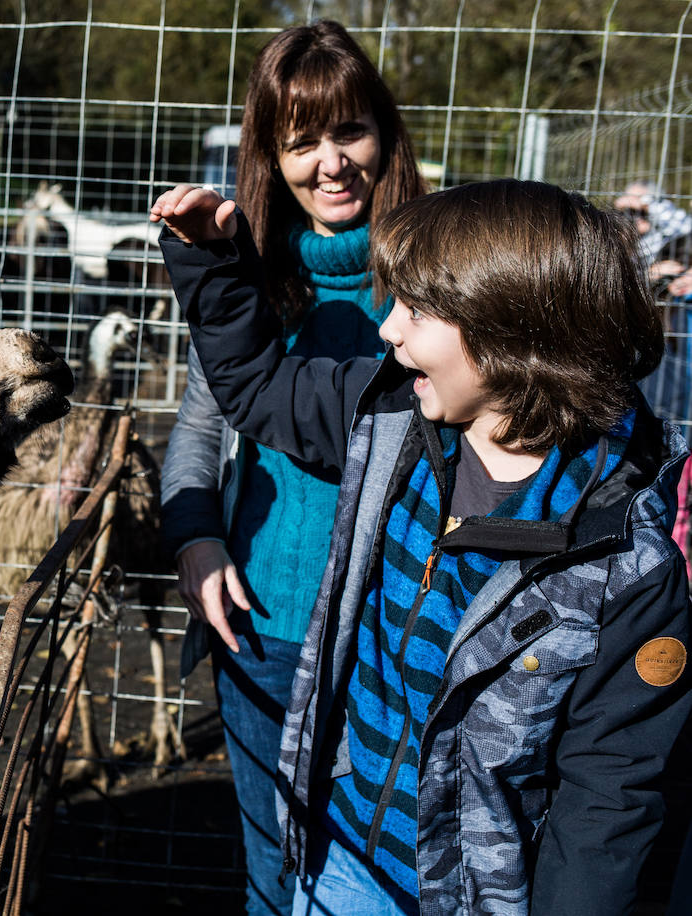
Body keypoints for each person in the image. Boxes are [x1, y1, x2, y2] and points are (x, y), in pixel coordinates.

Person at [152, 177, 692, 914]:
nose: (388, 330)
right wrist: (213, 263)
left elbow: (609, 803)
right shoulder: (395, 418)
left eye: (417, 310)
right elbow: (258, 388)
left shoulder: (621, 565)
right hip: (344, 849)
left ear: (511, 334)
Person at [158, 20, 427, 915]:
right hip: (264, 622)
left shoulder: (439, 273)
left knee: (388, 870)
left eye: (348, 130)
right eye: (301, 141)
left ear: (384, 134)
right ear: (271, 158)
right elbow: (199, 427)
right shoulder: (249, 279)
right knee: (274, 865)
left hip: (398, 633)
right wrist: (195, 537)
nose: (331, 163)